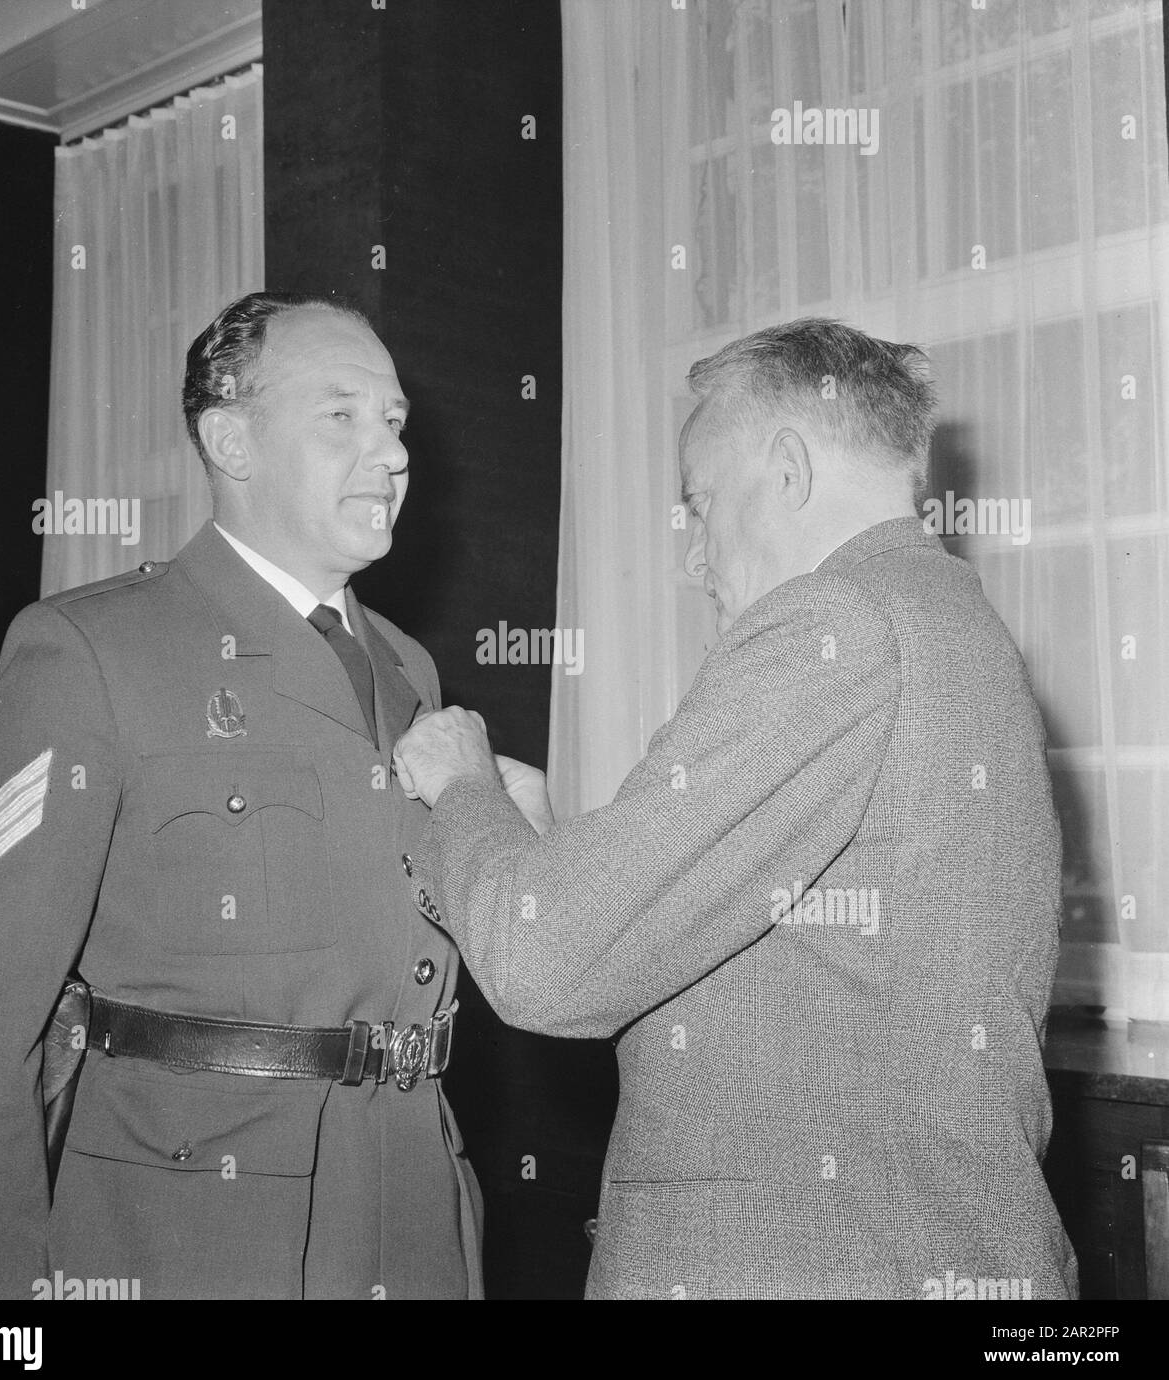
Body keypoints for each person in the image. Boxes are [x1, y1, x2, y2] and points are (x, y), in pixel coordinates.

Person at [393, 318, 1077, 1300]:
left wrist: (463, 784)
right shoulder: (949, 623)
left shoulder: (834, 626)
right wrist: (535, 844)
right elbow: (786, 947)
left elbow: (544, 964)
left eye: (701, 505)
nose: (692, 556)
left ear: (789, 470)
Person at [0, 291, 481, 1300]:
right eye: (341, 415)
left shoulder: (407, 670)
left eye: (394, 421)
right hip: (190, 1239)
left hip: (412, 1225)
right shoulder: (90, 654)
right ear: (231, 441)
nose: (390, 453)